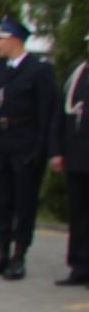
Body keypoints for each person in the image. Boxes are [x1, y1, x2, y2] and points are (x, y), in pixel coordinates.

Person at [0, 16, 60, 281]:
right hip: (1, 141)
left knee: (24, 202)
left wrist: (41, 149)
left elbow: (47, 113)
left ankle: (19, 255)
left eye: (1, 38)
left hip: (26, 141)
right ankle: (0, 251)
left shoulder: (39, 69)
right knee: (1, 201)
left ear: (14, 39)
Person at [59, 40, 89, 286]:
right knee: (78, 214)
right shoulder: (77, 72)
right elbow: (61, 115)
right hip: (77, 154)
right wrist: (57, 152)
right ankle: (79, 265)